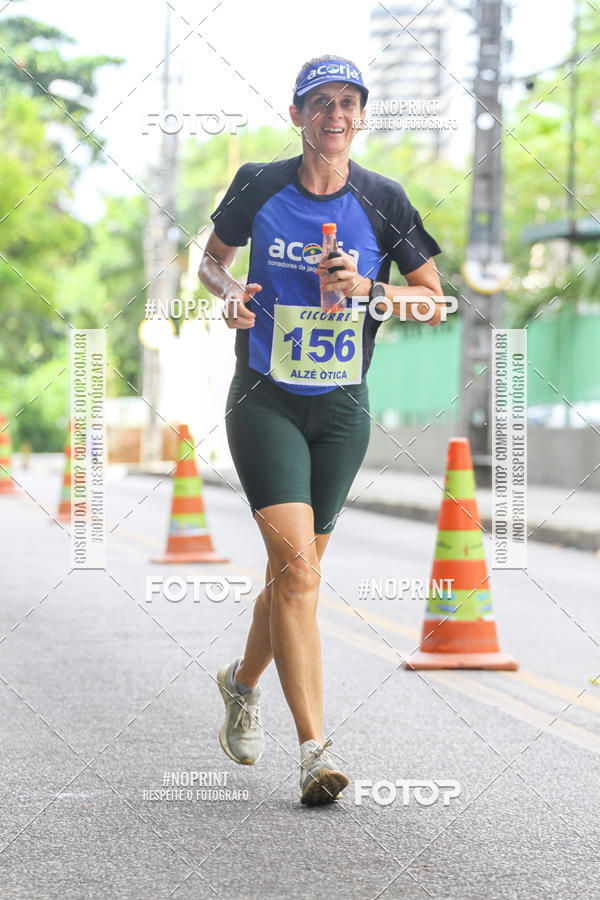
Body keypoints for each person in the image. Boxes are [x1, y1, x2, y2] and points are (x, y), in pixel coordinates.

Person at [198, 55, 443, 806]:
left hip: (340, 410)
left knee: (291, 575)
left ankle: (241, 685)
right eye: (320, 102)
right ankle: (314, 751)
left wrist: (373, 289)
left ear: (361, 115)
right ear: (298, 113)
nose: (334, 115)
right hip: (265, 400)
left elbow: (437, 300)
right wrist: (230, 293)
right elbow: (209, 264)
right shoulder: (257, 184)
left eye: (348, 102)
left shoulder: (384, 199)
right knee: (300, 573)